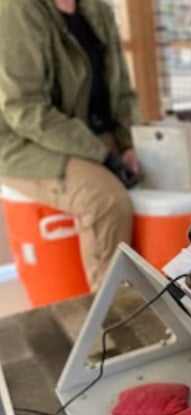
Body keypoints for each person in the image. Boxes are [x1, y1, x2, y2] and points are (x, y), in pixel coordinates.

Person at [0, 0, 141, 291]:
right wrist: (102, 156)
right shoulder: (15, 9)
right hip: (22, 141)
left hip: (83, 133)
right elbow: (24, 110)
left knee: (161, 174)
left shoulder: (97, 8)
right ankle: (112, 320)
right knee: (105, 200)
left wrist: (129, 144)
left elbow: (121, 89)